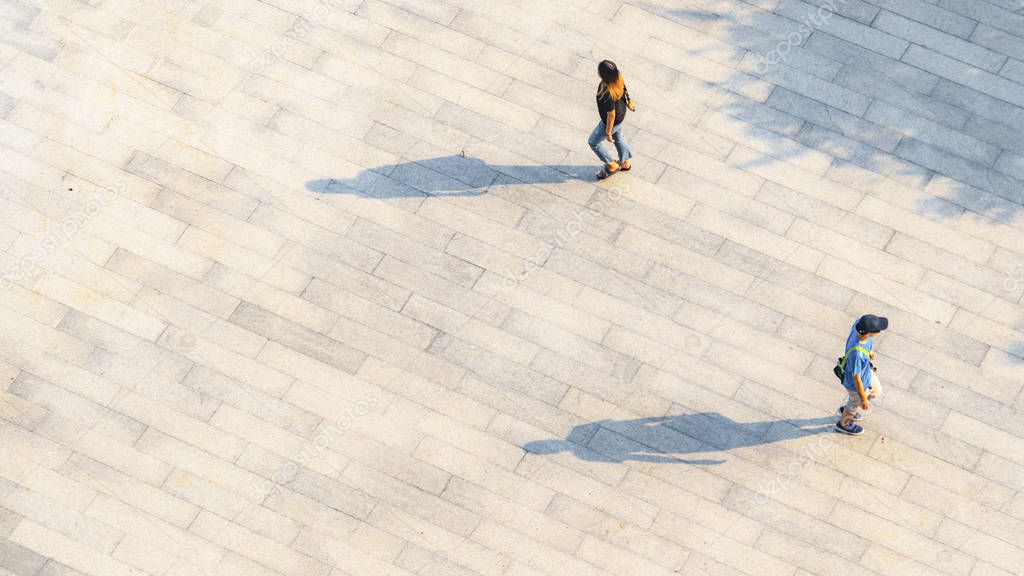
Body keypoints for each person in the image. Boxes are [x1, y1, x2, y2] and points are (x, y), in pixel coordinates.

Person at [835, 314, 888, 435]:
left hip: (865, 375)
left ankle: (852, 405)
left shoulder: (858, 325)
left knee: (876, 391)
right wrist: (863, 399)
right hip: (856, 384)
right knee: (855, 402)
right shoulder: (857, 354)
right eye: (878, 330)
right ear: (870, 333)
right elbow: (856, 379)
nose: (879, 332)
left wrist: (869, 352)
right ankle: (844, 423)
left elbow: (865, 344)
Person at [588, 60, 634, 180]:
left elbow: (611, 115)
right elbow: (625, 90)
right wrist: (629, 102)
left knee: (593, 142)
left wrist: (608, 132)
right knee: (619, 137)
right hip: (621, 114)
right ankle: (625, 163)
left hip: (613, 121)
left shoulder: (608, 93)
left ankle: (611, 165)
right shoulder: (618, 77)